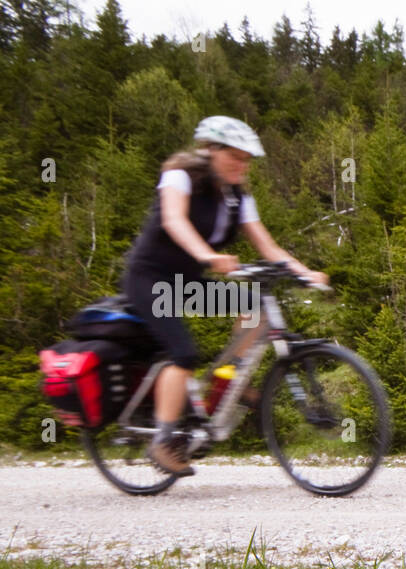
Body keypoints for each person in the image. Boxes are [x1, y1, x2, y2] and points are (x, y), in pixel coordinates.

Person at [120, 115, 328, 476]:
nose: (241, 164)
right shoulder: (179, 177)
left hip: (187, 283)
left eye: (247, 159)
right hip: (150, 280)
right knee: (182, 353)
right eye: (234, 155)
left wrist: (303, 272)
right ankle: (163, 440)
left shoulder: (238, 197)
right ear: (210, 151)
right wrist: (208, 256)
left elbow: (267, 245)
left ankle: (228, 384)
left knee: (253, 310)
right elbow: (174, 221)